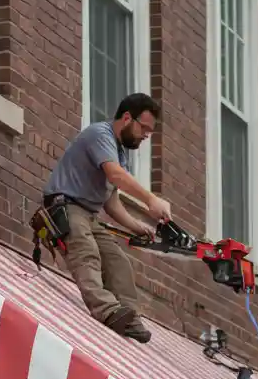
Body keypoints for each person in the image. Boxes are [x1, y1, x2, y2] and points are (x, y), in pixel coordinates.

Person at [39, 92, 173, 343]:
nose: (146, 135)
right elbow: (115, 176)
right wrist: (150, 200)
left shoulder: (119, 153)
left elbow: (111, 203)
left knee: (118, 261)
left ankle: (128, 316)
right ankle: (108, 311)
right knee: (86, 253)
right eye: (144, 128)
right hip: (66, 207)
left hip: (88, 215)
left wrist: (137, 227)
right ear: (126, 118)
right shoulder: (100, 135)